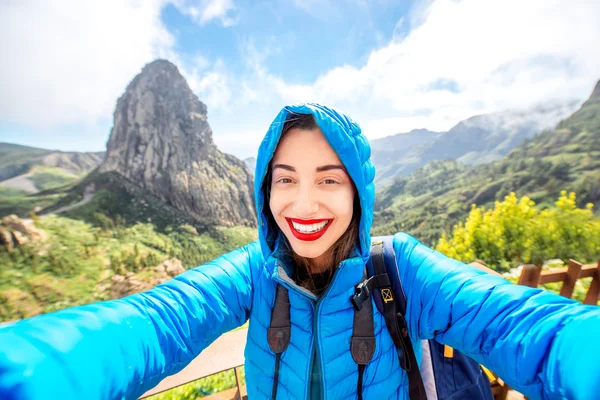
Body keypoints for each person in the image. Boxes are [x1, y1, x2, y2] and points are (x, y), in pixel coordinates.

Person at [0, 103, 599, 400]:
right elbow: (156, 322)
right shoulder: (253, 274)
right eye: (285, 179)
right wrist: (28, 371)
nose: (303, 203)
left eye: (329, 179)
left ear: (358, 193)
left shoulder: (403, 271)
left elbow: (528, 329)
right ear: (265, 190)